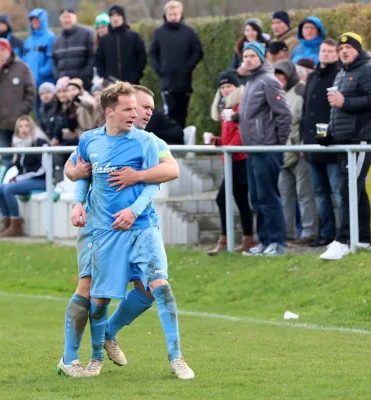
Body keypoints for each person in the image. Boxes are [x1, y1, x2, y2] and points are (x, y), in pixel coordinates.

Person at [59, 82, 192, 379]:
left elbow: (170, 171)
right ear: (113, 110)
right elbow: (75, 169)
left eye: (146, 109)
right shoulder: (91, 139)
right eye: (139, 107)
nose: (144, 113)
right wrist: (77, 196)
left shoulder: (149, 140)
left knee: (150, 287)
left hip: (137, 223)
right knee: (90, 289)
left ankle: (110, 334)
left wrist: (137, 177)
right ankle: (71, 359)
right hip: (99, 227)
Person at [319, 33, 371, 261]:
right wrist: (328, 133)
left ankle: (343, 240)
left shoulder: (367, 69)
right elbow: (337, 110)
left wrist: (345, 102)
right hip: (345, 141)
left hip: (362, 139)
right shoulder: (341, 74)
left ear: (358, 49)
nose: (344, 51)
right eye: (341, 48)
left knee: (349, 187)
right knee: (356, 189)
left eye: (348, 47)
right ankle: (364, 240)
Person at [238, 41, 292, 256]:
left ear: (261, 57)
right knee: (257, 199)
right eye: (245, 56)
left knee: (269, 197)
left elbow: (284, 114)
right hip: (251, 149)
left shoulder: (268, 81)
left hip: (266, 149)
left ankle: (278, 243)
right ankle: (265, 241)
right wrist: (235, 117)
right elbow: (254, 115)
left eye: (252, 55)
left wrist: (276, 144)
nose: (248, 59)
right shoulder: (251, 82)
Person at [208, 70, 254, 254]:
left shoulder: (240, 107)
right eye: (223, 87)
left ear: (237, 87)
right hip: (232, 158)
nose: (226, 90)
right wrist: (218, 141)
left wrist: (227, 147)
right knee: (240, 199)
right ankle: (246, 238)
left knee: (224, 198)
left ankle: (226, 239)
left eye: (229, 86)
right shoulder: (227, 108)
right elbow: (230, 137)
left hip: (239, 159)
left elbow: (242, 135)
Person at [301, 39, 341, 248]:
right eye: (323, 51)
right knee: (319, 192)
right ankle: (326, 233)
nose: (325, 54)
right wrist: (303, 140)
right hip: (312, 144)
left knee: (337, 190)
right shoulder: (312, 77)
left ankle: (344, 235)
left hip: (332, 144)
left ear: (336, 54)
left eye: (329, 51)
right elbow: (305, 111)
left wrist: (330, 135)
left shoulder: (339, 76)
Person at [273, 60, 318, 245]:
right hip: (281, 151)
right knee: (284, 193)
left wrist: (302, 145)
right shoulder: (275, 93)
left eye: (282, 74)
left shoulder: (301, 91)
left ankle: (309, 231)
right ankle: (287, 232)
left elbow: (307, 120)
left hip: (298, 151)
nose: (279, 78)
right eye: (276, 75)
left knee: (304, 193)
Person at [0, 38, 36, 166]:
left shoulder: (22, 68)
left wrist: (21, 112)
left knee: (22, 155)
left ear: (9, 50)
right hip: (0, 122)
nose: (0, 53)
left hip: (18, 123)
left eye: (3, 49)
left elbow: (31, 92)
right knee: (5, 156)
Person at [149, 1, 203, 129]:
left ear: (181, 14)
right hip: (167, 82)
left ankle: (181, 143)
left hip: (184, 82)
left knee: (182, 115)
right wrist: (159, 69)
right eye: (170, 14)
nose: (173, 17)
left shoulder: (189, 32)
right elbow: (152, 53)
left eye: (175, 14)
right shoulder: (159, 32)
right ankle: (171, 143)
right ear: (166, 14)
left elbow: (198, 51)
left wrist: (188, 67)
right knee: (169, 115)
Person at [0, 116, 49, 237]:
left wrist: (18, 179)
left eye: (27, 125)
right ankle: (7, 223)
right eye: (20, 126)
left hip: (42, 180)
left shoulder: (40, 143)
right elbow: (21, 169)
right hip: (27, 181)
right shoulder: (19, 144)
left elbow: (42, 169)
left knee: (8, 189)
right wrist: (16, 178)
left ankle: (16, 225)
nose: (24, 129)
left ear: (32, 127)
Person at [95, 5, 146, 85]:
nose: (115, 18)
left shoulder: (134, 36)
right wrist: (104, 76)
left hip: (131, 83)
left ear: (123, 17)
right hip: (111, 84)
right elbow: (99, 60)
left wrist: (136, 75)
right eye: (112, 16)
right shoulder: (104, 39)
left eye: (118, 15)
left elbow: (142, 57)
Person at [52, 8, 95, 90]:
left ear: (75, 18)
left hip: (83, 85)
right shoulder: (57, 39)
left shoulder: (87, 33)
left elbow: (92, 58)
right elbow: (54, 61)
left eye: (69, 17)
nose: (66, 20)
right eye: (64, 17)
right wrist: (58, 77)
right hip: (64, 87)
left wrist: (82, 78)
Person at [23, 8, 56, 111]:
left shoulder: (51, 37)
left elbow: (51, 60)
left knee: (47, 111)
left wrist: (40, 73)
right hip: (31, 84)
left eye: (37, 20)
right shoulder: (28, 40)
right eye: (32, 20)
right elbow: (25, 59)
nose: (35, 22)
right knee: (36, 113)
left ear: (43, 21)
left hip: (45, 83)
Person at [231, 18, 269, 83]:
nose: (250, 33)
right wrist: (238, 72)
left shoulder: (267, 47)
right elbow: (232, 68)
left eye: (253, 30)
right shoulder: (239, 47)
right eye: (247, 30)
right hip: (242, 83)